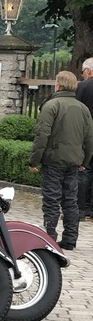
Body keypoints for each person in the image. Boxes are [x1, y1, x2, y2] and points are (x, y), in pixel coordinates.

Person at [29, 69, 93, 251]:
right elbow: (89, 138)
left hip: (53, 160)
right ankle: (70, 239)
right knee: (70, 200)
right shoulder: (83, 109)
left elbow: (42, 135)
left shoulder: (51, 105)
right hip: (74, 161)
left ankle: (49, 237)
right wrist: (85, 161)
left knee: (51, 200)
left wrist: (34, 160)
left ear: (58, 85)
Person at [76, 57, 93, 218]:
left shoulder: (82, 86)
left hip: (86, 135)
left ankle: (80, 209)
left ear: (88, 71)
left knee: (84, 170)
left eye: (82, 72)